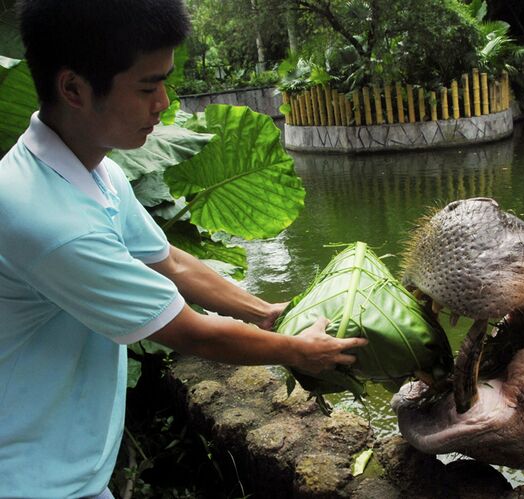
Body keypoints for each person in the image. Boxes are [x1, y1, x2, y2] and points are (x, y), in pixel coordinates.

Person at [0, 0, 367, 497]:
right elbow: (192, 334)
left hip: (71, 467)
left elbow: (170, 261)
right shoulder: (47, 218)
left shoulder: (96, 171)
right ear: (73, 89)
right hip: (30, 480)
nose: (163, 101)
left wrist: (267, 312)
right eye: (148, 86)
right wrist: (298, 351)